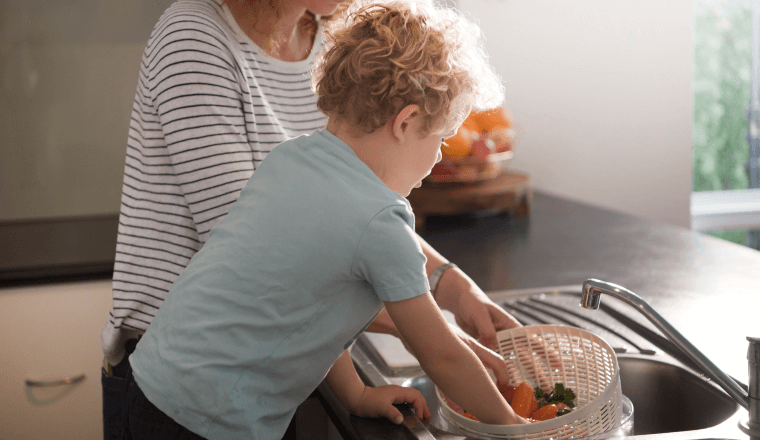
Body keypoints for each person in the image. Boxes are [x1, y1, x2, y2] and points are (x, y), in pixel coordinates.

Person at [101, 0, 521, 437]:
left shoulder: (291, 159)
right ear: (406, 121)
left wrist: (355, 393)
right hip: (206, 423)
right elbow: (443, 357)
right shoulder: (382, 221)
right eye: (440, 139)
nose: (437, 157)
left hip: (151, 386)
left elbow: (306, 298)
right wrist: (515, 426)